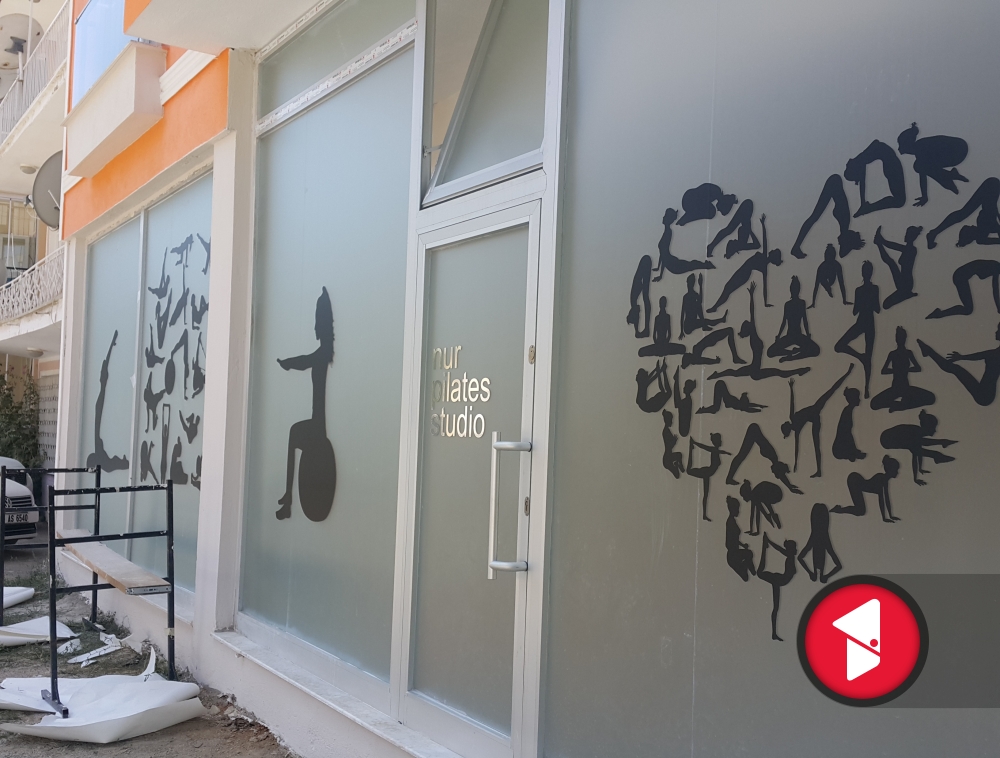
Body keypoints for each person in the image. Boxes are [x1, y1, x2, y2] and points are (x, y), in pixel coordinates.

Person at [276, 287, 338, 522]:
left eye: (316, 322)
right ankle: (287, 498)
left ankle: (288, 498)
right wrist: (289, 363)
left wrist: (287, 363)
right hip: (317, 423)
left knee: (293, 433)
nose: (314, 327)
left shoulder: (322, 353)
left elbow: (304, 361)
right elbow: (305, 361)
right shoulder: (324, 353)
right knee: (294, 434)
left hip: (318, 426)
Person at [709, 284, 811, 382]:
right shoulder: (753, 336)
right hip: (755, 370)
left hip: (754, 370)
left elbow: (752, 312)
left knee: (777, 372)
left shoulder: (753, 335)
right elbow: (752, 313)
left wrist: (751, 296)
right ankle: (799, 370)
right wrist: (751, 296)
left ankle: (799, 369)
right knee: (777, 372)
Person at [780, 366, 853, 478]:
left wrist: (791, 387)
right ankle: (819, 470)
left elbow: (792, 402)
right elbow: (796, 448)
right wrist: (795, 463)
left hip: (815, 410)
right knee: (816, 445)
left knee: (831, 390)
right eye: (786, 426)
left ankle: (847, 373)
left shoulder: (792, 418)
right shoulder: (796, 428)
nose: (786, 423)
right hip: (815, 416)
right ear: (788, 428)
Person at [708, 215, 780, 312]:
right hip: (743, 270)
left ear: (773, 256)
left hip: (744, 274)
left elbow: (765, 287)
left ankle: (715, 307)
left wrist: (765, 302)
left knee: (728, 288)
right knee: (727, 288)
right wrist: (762, 225)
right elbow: (764, 239)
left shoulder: (764, 265)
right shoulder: (764, 260)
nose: (772, 250)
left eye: (774, 251)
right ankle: (715, 307)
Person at [918, 324, 1000, 406]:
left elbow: (981, 355)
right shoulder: (995, 352)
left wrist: (961, 357)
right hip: (984, 392)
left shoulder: (995, 353)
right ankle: (928, 351)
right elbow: (980, 355)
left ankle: (928, 351)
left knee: (955, 369)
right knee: (955, 369)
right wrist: (961, 357)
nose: (996, 332)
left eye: (998, 330)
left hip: (984, 395)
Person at [790, 174, 865, 260]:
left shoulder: (844, 225)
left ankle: (796, 246)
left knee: (814, 217)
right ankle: (796, 247)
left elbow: (842, 253)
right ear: (846, 240)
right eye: (841, 243)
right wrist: (848, 245)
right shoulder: (845, 220)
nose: (838, 242)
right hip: (833, 183)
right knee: (814, 217)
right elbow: (842, 253)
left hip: (834, 183)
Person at [835, 260, 880, 398]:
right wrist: (863, 302)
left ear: (870, 273)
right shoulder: (859, 290)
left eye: (868, 271)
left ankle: (866, 387)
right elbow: (855, 311)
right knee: (839, 346)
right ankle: (860, 356)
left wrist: (869, 301)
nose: (866, 273)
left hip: (869, 323)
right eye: (865, 271)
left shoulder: (874, 289)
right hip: (861, 322)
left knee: (869, 357)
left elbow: (878, 308)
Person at [86, 331, 130, 472]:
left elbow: (99, 407)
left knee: (100, 398)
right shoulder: (107, 465)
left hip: (100, 404)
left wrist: (103, 382)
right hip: (100, 402)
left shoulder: (103, 457)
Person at [897, 122, 969, 207]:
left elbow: (923, 176)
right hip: (956, 150)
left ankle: (948, 179)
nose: (899, 149)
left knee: (919, 166)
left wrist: (924, 196)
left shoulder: (920, 148)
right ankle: (949, 176)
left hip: (957, 151)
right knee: (919, 165)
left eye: (901, 145)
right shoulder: (920, 146)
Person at [879, 410, 956, 486]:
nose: (935, 430)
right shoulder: (915, 432)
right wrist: (915, 478)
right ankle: (939, 450)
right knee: (919, 444)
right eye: (934, 427)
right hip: (886, 440)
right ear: (928, 428)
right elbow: (915, 456)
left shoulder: (916, 432)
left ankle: (939, 451)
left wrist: (919, 470)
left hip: (890, 438)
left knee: (918, 444)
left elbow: (918, 453)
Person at [870, 326, 935, 412]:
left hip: (906, 387)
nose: (899, 339)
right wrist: (896, 371)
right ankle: (900, 404)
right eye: (898, 337)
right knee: (874, 404)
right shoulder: (892, 354)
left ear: (905, 339)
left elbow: (918, 368)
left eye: (901, 337)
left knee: (931, 398)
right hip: (895, 387)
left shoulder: (908, 353)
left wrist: (906, 370)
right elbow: (884, 370)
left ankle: (900, 406)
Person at [726, 422, 802, 494]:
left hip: (754, 431)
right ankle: (729, 478)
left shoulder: (773, 457)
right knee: (741, 456)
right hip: (753, 431)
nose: (773, 473)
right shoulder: (773, 456)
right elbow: (781, 474)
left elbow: (780, 474)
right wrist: (789, 486)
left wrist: (789, 486)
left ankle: (729, 478)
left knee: (741, 456)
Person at [926, 177, 1000, 249]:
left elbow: (992, 209)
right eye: (970, 229)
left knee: (962, 214)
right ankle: (933, 233)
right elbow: (993, 209)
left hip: (991, 185)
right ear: (971, 236)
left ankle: (934, 233)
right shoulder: (982, 234)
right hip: (992, 185)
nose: (971, 225)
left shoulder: (982, 227)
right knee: (962, 214)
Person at [844, 139, 906, 216]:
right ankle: (868, 208)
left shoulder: (860, 162)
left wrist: (863, 204)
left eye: (854, 179)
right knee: (899, 201)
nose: (856, 181)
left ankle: (868, 208)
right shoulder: (860, 160)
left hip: (891, 163)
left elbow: (862, 184)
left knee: (900, 201)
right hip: (891, 162)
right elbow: (875, 142)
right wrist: (863, 204)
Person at [652, 208, 715, 281]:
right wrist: (658, 269)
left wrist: (660, 274)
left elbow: (664, 255)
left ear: (668, 219)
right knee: (691, 265)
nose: (663, 217)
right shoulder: (666, 231)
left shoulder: (668, 232)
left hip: (672, 264)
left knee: (691, 265)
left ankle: (706, 265)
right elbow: (663, 254)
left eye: (665, 216)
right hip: (670, 264)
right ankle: (706, 265)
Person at [767, 276, 820, 363]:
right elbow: (784, 322)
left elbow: (805, 321)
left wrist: (808, 334)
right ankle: (792, 352)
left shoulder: (801, 303)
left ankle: (792, 356)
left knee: (816, 350)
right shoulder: (788, 304)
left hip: (798, 335)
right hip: (790, 336)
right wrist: (779, 336)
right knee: (770, 352)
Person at [831, 456, 901, 522]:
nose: (897, 472)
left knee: (860, 510)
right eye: (896, 470)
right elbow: (882, 499)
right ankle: (839, 510)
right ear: (891, 470)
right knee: (860, 510)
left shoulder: (884, 480)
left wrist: (889, 516)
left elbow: (885, 499)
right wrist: (885, 518)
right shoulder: (881, 478)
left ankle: (839, 509)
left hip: (856, 480)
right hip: (854, 481)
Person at [757, 533, 797, 641]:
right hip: (779, 580)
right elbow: (779, 549)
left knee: (776, 608)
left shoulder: (791, 557)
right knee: (760, 573)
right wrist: (769, 542)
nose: (795, 550)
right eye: (794, 548)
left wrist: (769, 542)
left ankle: (774, 633)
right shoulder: (790, 556)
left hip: (780, 580)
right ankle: (764, 547)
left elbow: (780, 550)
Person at [928, 260, 1000, 319]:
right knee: (968, 309)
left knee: (968, 309)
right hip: (960, 277)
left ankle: (939, 313)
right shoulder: (996, 267)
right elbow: (995, 289)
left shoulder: (994, 266)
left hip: (960, 276)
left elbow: (982, 275)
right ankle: (939, 314)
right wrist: (998, 306)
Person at [874, 225, 920, 309]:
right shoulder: (907, 249)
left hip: (906, 283)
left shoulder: (911, 249)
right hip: (903, 281)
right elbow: (891, 245)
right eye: (906, 233)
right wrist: (881, 241)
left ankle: (878, 243)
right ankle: (878, 243)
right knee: (891, 263)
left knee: (885, 305)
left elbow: (891, 245)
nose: (905, 236)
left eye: (907, 234)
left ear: (912, 237)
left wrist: (882, 241)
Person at [686, 433, 730, 521]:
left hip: (708, 473)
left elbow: (718, 452)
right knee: (689, 471)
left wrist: (725, 452)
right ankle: (691, 449)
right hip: (707, 472)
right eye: (719, 440)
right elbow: (704, 447)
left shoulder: (715, 450)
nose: (721, 441)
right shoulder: (714, 450)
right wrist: (695, 443)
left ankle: (704, 515)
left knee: (706, 495)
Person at [798, 503, 843, 582]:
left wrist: (810, 572)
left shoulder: (815, 538)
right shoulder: (822, 538)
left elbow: (800, 557)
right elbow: (838, 565)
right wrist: (826, 576)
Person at [725, 497, 756, 582]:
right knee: (749, 554)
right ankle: (751, 570)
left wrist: (742, 545)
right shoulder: (730, 522)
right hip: (732, 556)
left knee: (749, 554)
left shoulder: (732, 521)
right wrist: (735, 548)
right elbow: (729, 542)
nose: (739, 511)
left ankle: (752, 571)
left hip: (734, 553)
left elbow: (733, 539)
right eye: (737, 509)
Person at [832, 387, 866, 462]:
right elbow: (845, 434)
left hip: (840, 447)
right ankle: (851, 454)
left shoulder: (848, 410)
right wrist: (853, 450)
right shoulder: (847, 411)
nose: (859, 400)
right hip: (839, 449)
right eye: (857, 397)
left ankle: (852, 454)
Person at [697, 380, 766, 414]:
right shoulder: (742, 405)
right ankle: (703, 410)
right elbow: (750, 405)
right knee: (715, 408)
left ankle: (703, 410)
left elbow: (750, 407)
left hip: (726, 396)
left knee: (715, 408)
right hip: (726, 395)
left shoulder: (742, 406)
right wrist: (759, 406)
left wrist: (758, 409)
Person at [627, 255, 653, 338]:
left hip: (646, 262)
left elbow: (636, 316)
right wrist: (636, 331)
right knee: (645, 298)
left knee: (645, 297)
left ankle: (646, 329)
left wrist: (637, 331)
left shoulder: (633, 300)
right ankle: (646, 329)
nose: (640, 311)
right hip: (645, 263)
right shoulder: (634, 303)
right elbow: (636, 317)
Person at [661, 410, 684, 478]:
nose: (672, 422)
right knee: (677, 476)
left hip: (668, 456)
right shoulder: (666, 431)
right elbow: (669, 446)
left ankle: (678, 465)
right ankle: (677, 465)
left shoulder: (667, 430)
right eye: (671, 420)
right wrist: (674, 441)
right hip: (667, 458)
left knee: (679, 455)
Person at [673, 368, 695, 436]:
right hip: (683, 429)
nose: (683, 388)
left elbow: (677, 402)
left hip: (684, 430)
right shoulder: (687, 400)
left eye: (685, 386)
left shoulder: (687, 401)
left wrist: (676, 382)